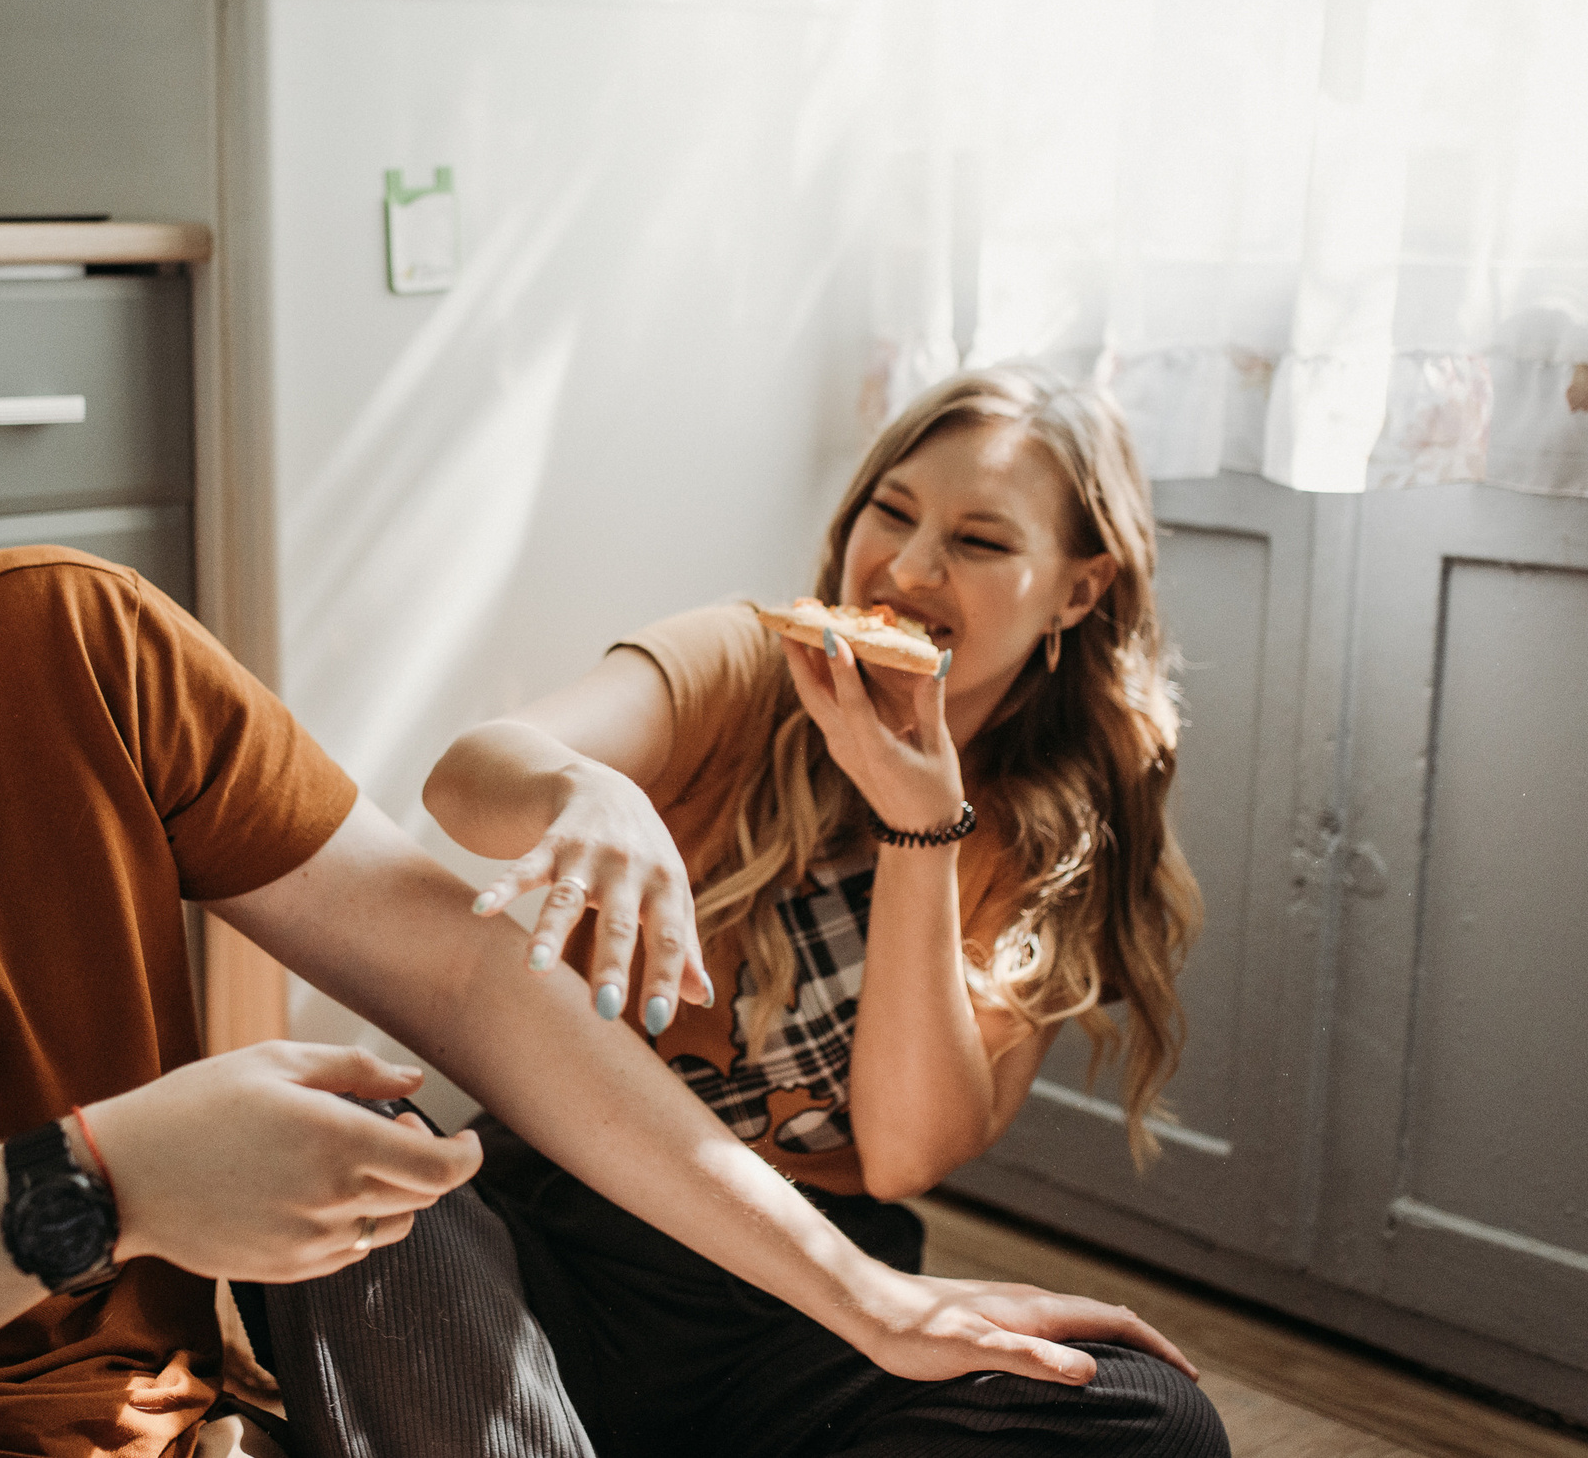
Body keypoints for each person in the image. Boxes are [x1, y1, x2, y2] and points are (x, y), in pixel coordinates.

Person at [0, 340, 1196, 1458]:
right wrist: (91, 1183)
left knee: (1128, 1420)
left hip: (177, 1425)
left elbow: (464, 973)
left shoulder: (78, 640)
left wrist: (866, 1305)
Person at [409, 366, 1223, 1458]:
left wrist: (917, 828)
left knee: (1154, 1422)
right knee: (344, 1156)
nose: (909, 565)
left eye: (980, 541)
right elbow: (466, 777)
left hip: (805, 1283)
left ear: (1076, 592)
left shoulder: (1055, 833)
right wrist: (577, 788)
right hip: (556, 1232)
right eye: (891, 511)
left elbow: (898, 1155)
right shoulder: (748, 661)